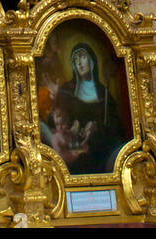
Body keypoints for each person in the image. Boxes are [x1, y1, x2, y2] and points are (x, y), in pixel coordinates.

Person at [51, 43, 126, 175]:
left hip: (101, 152)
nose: (79, 62)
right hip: (74, 156)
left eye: (82, 57)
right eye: (75, 59)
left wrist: (97, 128)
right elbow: (58, 121)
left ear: (92, 60)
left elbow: (116, 128)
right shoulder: (65, 91)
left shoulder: (104, 94)